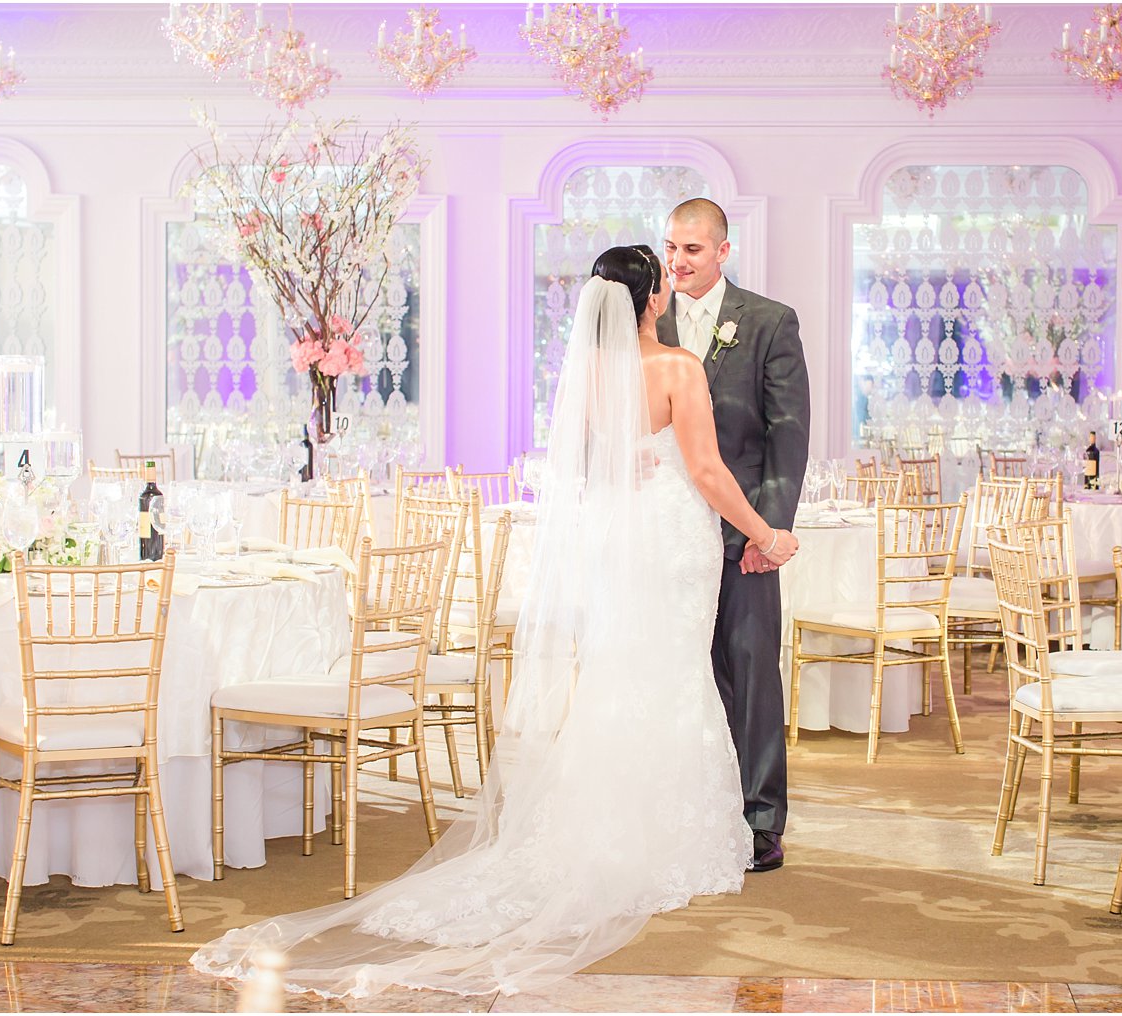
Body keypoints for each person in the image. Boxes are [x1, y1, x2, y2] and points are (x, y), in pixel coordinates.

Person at [190, 245, 798, 998]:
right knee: (671, 674)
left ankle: (606, 823)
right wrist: (767, 534)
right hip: (672, 542)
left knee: (617, 673)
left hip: (618, 542)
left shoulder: (590, 381)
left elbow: (580, 471)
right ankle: (669, 831)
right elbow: (706, 472)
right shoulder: (676, 369)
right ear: (651, 302)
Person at [659, 198, 811, 872]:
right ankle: (691, 808)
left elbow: (788, 435)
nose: (678, 261)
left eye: (692, 249)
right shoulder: (647, 322)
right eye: (671, 248)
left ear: (723, 250)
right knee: (683, 674)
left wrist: (769, 528)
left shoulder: (769, 322)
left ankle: (760, 820)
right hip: (668, 530)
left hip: (742, 529)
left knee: (752, 676)